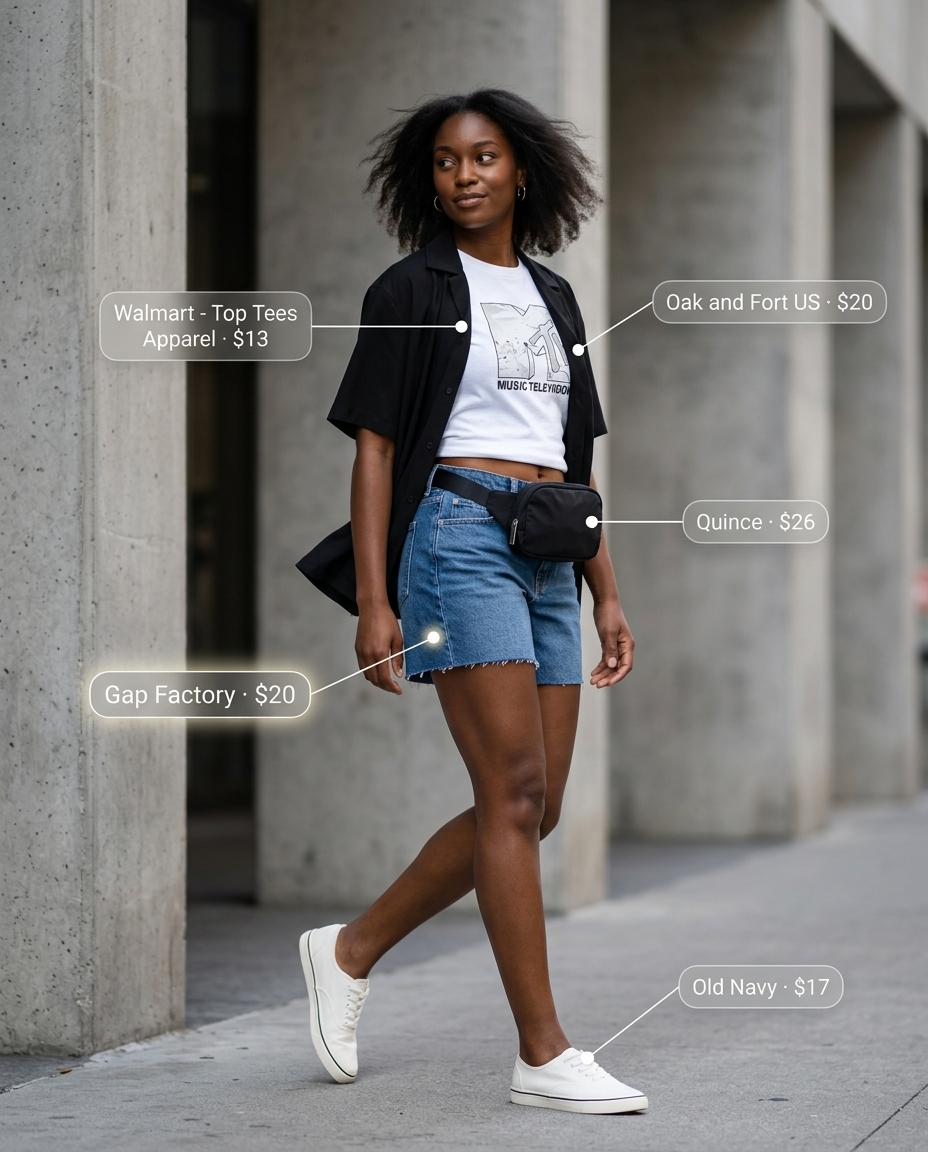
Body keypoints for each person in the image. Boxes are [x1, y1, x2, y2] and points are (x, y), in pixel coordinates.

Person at [297, 88, 645, 1115]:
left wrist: (607, 592)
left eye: (484, 157)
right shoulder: (410, 289)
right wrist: (374, 599)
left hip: (549, 548)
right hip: (458, 538)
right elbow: (375, 449)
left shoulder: (556, 298)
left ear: (520, 171)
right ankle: (543, 1053)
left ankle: (350, 948)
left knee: (528, 807)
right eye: (447, 162)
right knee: (513, 790)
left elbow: (572, 459)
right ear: (429, 178)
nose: (465, 176)